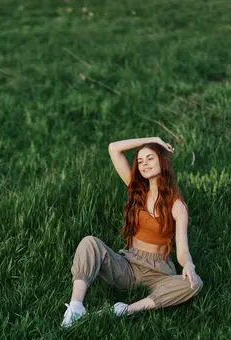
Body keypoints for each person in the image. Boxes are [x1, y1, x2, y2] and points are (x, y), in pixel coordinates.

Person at [61, 137, 203, 328]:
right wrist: (153, 139)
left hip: (158, 273)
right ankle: (76, 307)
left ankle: (125, 309)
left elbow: (183, 249)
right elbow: (113, 148)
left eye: (150, 158)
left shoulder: (177, 206)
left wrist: (189, 265)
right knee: (89, 243)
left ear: (163, 160)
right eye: (141, 162)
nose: (144, 164)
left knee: (194, 283)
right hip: (128, 266)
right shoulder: (137, 191)